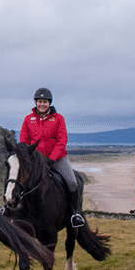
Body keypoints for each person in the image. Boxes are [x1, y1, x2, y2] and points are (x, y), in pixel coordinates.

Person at [19, 87, 86, 228]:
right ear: (36, 102)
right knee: (18, 180)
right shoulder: (28, 119)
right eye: (39, 101)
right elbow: (24, 141)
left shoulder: (59, 118)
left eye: (45, 102)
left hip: (57, 159)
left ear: (49, 103)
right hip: (35, 161)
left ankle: (75, 214)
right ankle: (13, 209)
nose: (42, 104)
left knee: (72, 182)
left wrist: (51, 159)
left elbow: (62, 141)